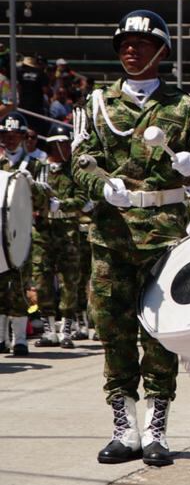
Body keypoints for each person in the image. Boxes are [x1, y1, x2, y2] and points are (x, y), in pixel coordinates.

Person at [71, 9, 190, 467]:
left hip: (166, 238)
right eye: (123, 44)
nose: (130, 50)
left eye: (140, 43)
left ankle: (157, 429)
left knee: (160, 335)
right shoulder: (96, 104)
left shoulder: (185, 106)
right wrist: (100, 186)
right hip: (112, 235)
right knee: (114, 332)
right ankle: (125, 428)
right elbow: (79, 161)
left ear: (162, 51)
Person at [30, 124, 85, 348]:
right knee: (41, 280)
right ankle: (48, 329)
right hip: (42, 232)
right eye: (60, 143)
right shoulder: (37, 168)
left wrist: (61, 205)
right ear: (52, 144)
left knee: (69, 282)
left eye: (66, 143)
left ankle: (66, 331)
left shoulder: (74, 171)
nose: (65, 147)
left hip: (67, 232)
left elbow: (83, 200)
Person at [0, 112, 35, 355]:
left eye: (15, 136)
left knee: (19, 287)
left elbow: (47, 198)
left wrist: (35, 187)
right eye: (6, 135)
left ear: (23, 137)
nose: (11, 140)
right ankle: (0, 338)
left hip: (23, 233)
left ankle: (20, 340)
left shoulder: (35, 164)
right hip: (0, 233)